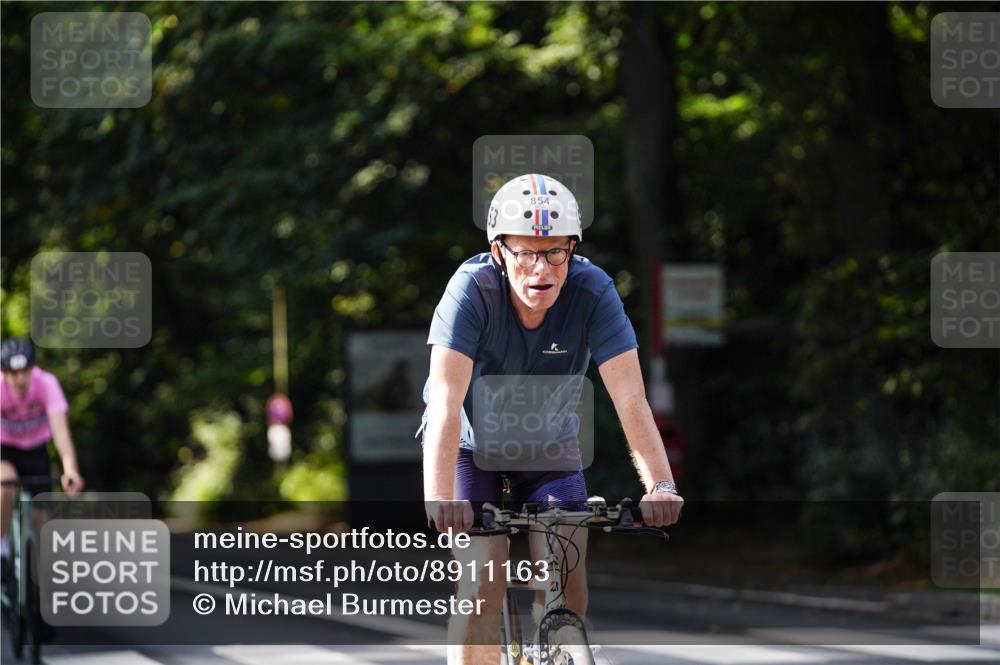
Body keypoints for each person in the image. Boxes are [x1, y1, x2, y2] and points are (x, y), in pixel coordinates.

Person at [421, 173, 684, 665]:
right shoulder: (471, 290)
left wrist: (661, 485)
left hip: (548, 444)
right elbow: (444, 402)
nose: (541, 268)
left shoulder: (593, 291)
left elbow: (630, 398)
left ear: (572, 249)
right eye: (525, 253)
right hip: (469, 446)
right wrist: (440, 499)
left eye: (556, 252)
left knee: (565, 574)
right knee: (483, 576)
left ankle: (558, 644)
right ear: (499, 252)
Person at [1, 337, 84, 562]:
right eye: (13, 373)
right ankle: (2, 550)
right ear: (4, 373)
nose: (20, 379)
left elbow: (61, 432)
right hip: (5, 449)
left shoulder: (46, 384)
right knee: (5, 485)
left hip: (36, 449)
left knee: (43, 519)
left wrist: (70, 470)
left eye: (25, 371)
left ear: (33, 368)